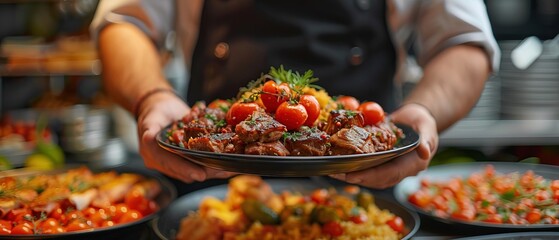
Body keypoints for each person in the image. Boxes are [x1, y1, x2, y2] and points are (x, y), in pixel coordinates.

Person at [90, 0, 499, 189]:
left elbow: (463, 41)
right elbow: (125, 22)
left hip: (365, 181)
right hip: (210, 180)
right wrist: (151, 97)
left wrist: (423, 110)